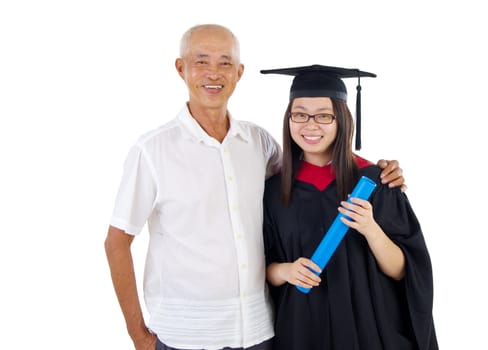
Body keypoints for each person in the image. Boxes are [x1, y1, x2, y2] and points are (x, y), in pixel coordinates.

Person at [104, 25, 406, 350]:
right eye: (201, 61)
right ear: (181, 68)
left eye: (224, 63)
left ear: (238, 72)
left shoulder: (257, 143)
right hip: (187, 335)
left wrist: (379, 170)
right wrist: (139, 335)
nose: (213, 73)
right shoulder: (152, 151)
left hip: (260, 333)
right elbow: (117, 243)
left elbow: (309, 162)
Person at [261, 65, 438, 350]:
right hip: (302, 328)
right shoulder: (273, 191)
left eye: (323, 116)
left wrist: (370, 228)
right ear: (288, 119)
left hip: (368, 326)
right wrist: (285, 271)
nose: (310, 125)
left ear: (342, 120)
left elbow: (402, 270)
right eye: (300, 114)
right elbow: (260, 265)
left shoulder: (375, 182)